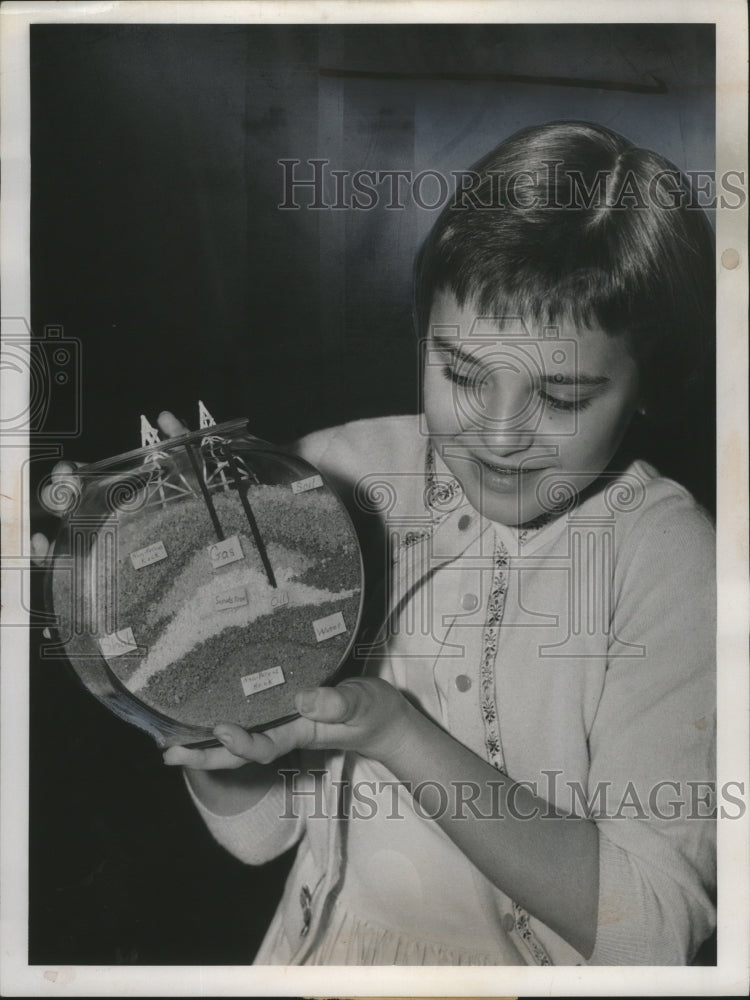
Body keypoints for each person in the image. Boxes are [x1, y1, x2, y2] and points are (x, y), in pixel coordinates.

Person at [35, 121, 716, 966]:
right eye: (461, 374)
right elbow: (259, 833)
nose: (498, 436)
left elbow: (650, 933)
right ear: (421, 329)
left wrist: (394, 732)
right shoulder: (331, 477)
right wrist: (182, 686)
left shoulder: (673, 561)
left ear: (652, 380)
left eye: (564, 396)